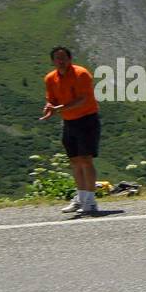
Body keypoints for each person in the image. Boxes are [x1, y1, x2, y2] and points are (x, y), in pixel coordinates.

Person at [41, 46, 101, 214]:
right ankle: (80, 198)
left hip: (87, 120)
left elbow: (83, 99)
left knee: (86, 159)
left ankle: (90, 201)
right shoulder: (50, 78)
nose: (61, 61)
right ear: (53, 61)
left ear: (70, 59)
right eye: (57, 58)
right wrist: (49, 107)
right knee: (74, 160)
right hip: (69, 122)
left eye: (64, 58)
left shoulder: (81, 74)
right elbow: (50, 99)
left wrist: (58, 108)